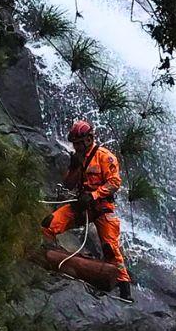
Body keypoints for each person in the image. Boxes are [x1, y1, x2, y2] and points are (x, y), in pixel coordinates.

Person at [41, 119, 133, 301]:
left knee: (110, 248)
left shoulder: (105, 157)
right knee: (49, 224)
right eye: (74, 143)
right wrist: (74, 168)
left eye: (79, 142)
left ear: (89, 139)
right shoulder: (77, 158)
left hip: (102, 208)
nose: (76, 146)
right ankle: (53, 258)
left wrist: (94, 195)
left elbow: (114, 183)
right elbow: (68, 184)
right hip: (81, 206)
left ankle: (125, 289)